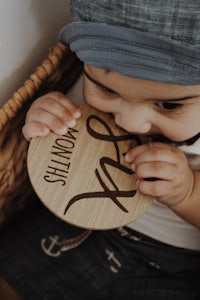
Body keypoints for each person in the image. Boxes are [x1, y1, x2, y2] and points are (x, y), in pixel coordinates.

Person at [0, 0, 200, 299]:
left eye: (169, 105)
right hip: (71, 221)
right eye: (108, 90)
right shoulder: (93, 81)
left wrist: (187, 192)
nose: (130, 121)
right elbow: (61, 146)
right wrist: (43, 120)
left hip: (165, 262)